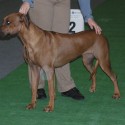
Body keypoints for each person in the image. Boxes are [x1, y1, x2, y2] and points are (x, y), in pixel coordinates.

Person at [19, 0, 101, 100]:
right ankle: (38, 87)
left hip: (63, 2)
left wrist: (88, 16)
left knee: (63, 45)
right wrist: (27, 1)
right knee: (39, 45)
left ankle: (66, 86)